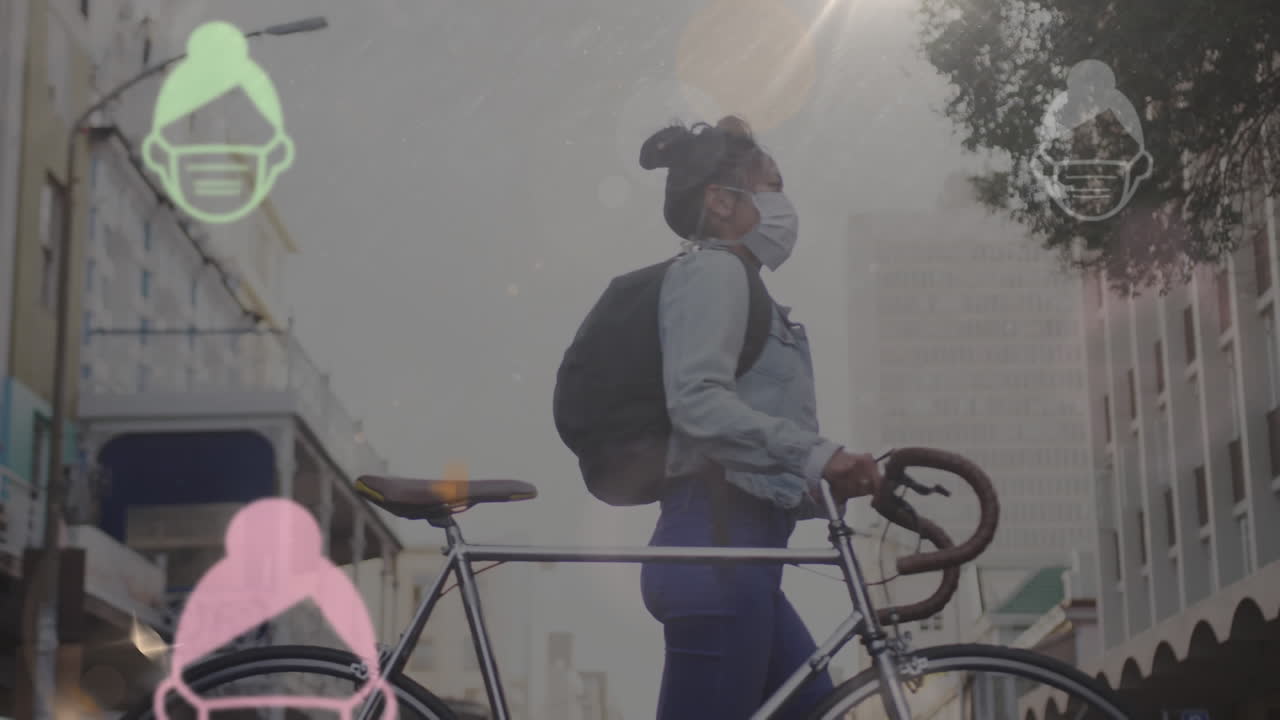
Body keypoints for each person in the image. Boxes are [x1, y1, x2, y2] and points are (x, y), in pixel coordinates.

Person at [638, 115, 884, 719]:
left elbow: (744, 444)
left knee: (814, 709)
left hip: (742, 556)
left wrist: (821, 481)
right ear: (722, 202)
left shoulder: (742, 285)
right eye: (770, 187)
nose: (783, 205)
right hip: (717, 550)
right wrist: (818, 454)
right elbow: (697, 404)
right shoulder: (714, 272)